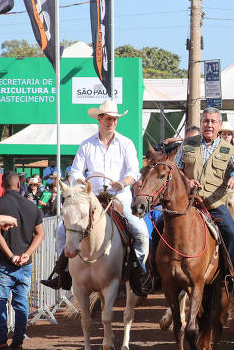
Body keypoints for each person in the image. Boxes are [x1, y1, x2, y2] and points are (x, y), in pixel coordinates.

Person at [41, 99, 152, 295]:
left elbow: (134, 171)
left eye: (115, 119)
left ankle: (139, 272)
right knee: (61, 230)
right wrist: (82, 182)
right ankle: (64, 273)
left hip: (119, 197)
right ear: (100, 119)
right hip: (92, 198)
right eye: (108, 118)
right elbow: (75, 171)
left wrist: (123, 183)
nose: (112, 122)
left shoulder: (126, 143)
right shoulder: (86, 145)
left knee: (141, 232)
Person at [173, 107, 234, 297]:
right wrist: (187, 181)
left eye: (213, 122)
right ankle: (155, 273)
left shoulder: (228, 149)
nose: (209, 125)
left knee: (232, 234)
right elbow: (175, 170)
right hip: (187, 203)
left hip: (213, 205)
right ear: (201, 122)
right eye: (206, 121)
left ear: (219, 125)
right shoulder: (188, 144)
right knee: (160, 225)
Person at [0, 172, 45, 350]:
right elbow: (40, 233)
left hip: (2, 261)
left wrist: (10, 256)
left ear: (2, 185)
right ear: (19, 185)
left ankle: (0, 342)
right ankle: (18, 343)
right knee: (21, 303)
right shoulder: (32, 206)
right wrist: (26, 254)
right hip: (25, 263)